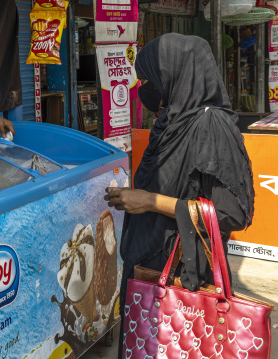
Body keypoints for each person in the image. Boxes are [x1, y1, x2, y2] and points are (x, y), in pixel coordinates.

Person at [104, 33, 255, 359]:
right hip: (150, 270)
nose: (143, 88)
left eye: (148, 79)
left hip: (182, 279)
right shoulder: (172, 121)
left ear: (175, 75)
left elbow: (233, 213)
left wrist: (149, 201)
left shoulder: (209, 125)